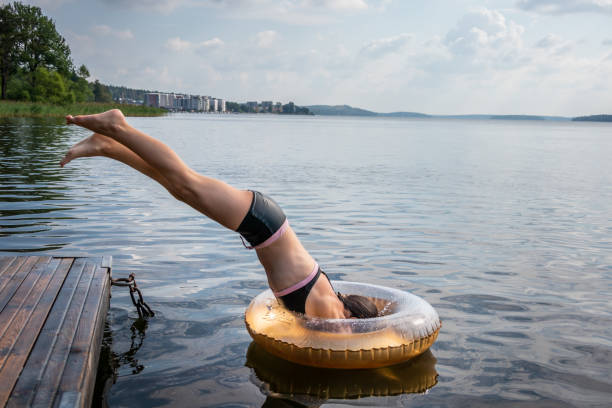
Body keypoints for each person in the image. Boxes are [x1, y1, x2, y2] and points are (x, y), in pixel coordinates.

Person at [61, 109, 378, 319]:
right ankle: (118, 125)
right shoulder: (333, 314)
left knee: (178, 186)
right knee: (186, 181)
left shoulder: (328, 300)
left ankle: (109, 145)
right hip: (264, 223)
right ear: (352, 317)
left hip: (262, 227)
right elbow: (332, 340)